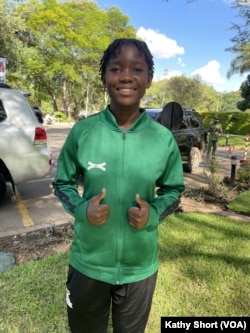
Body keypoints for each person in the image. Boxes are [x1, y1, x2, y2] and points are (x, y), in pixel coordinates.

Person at [52, 38, 185, 333]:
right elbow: (63, 183)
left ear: (149, 79)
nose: (126, 76)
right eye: (116, 68)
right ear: (104, 77)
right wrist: (83, 208)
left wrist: (152, 213)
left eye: (136, 68)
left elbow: (174, 191)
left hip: (139, 270)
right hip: (88, 265)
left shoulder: (162, 139)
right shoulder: (83, 132)